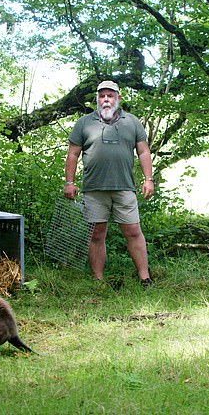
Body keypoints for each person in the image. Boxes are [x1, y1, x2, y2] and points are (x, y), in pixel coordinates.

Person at [64, 80, 154, 286]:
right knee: (96, 233)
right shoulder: (84, 123)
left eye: (110, 95)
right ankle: (98, 280)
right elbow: (72, 154)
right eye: (102, 96)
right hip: (93, 189)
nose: (106, 99)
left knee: (133, 231)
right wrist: (70, 182)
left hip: (125, 188)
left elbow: (143, 151)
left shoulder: (132, 122)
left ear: (118, 98)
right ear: (97, 99)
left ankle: (145, 277)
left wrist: (148, 179)